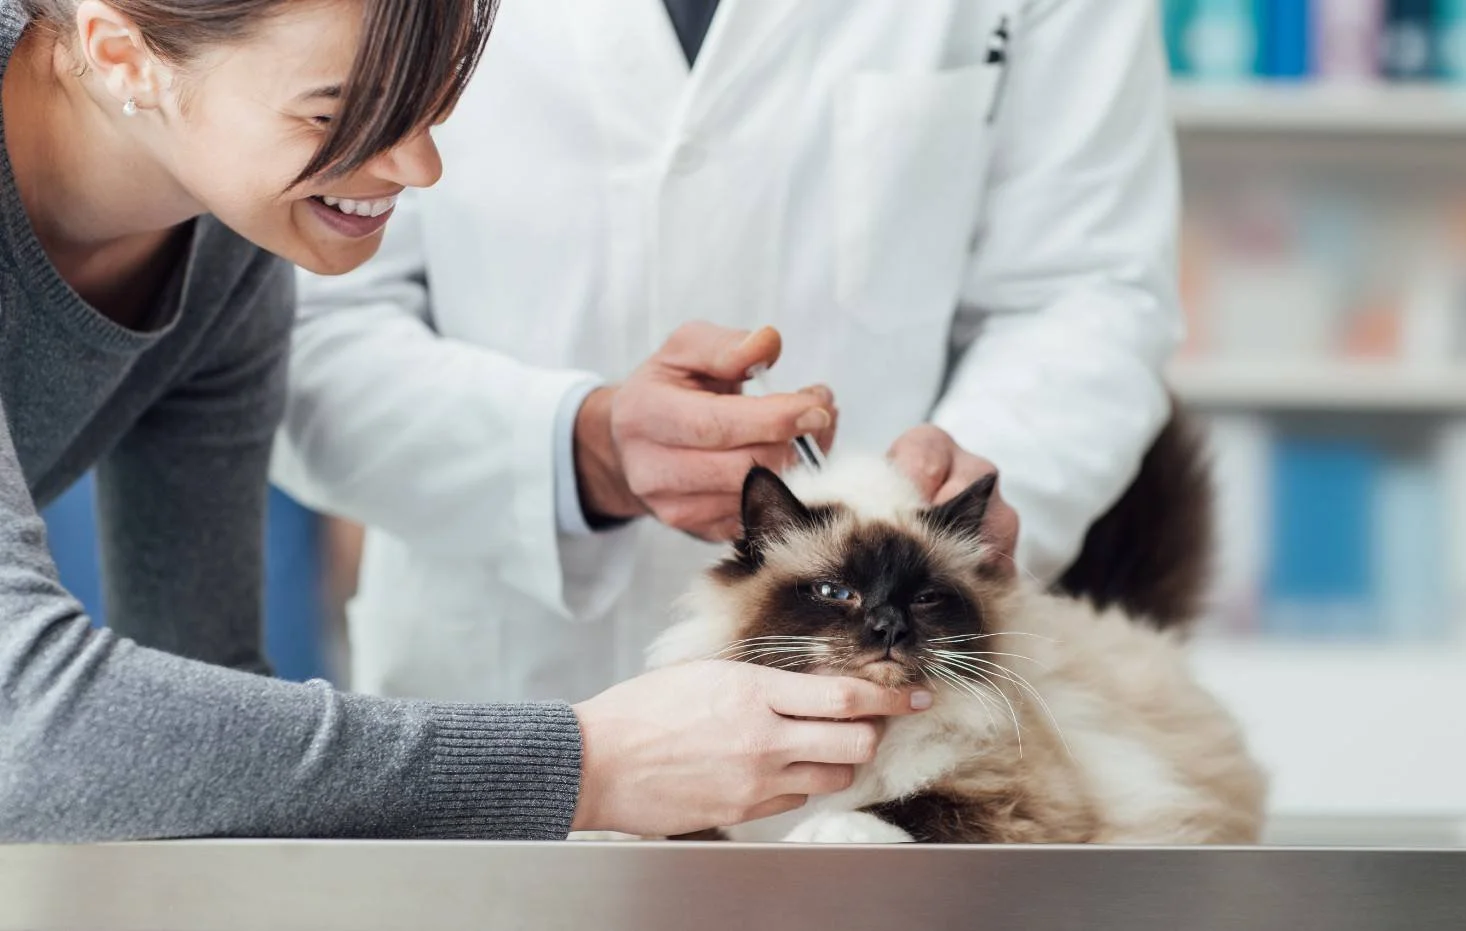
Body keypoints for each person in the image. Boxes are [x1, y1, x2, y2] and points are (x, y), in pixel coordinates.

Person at [0, 0, 925, 844]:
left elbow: (202, 688)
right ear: (120, 53)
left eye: (426, 103)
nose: (417, 166)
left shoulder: (224, 252)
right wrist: (585, 764)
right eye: (337, 114)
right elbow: (25, 731)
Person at [272, 0, 1181, 704]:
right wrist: (575, 448)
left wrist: (952, 513)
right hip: (500, 681)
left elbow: (1087, 289)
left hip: (889, 706)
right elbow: (302, 328)